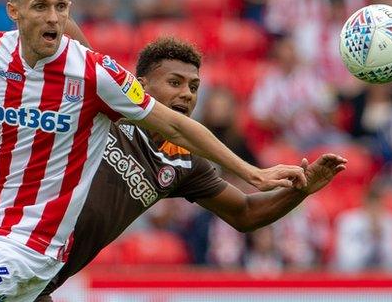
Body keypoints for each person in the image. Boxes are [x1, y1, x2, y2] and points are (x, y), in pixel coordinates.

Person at [0, 0, 306, 302]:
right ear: (14, 11)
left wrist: (253, 172)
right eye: (41, 6)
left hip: (32, 244)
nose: (54, 17)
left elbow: (174, 124)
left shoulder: (93, 73)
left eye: (61, 6)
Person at [34, 37, 347, 301]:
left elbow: (246, 213)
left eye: (194, 87)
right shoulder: (108, 108)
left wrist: (300, 192)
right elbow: (67, 30)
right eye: (175, 82)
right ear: (140, 85)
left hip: (40, 281)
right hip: (17, 248)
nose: (187, 93)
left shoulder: (185, 163)